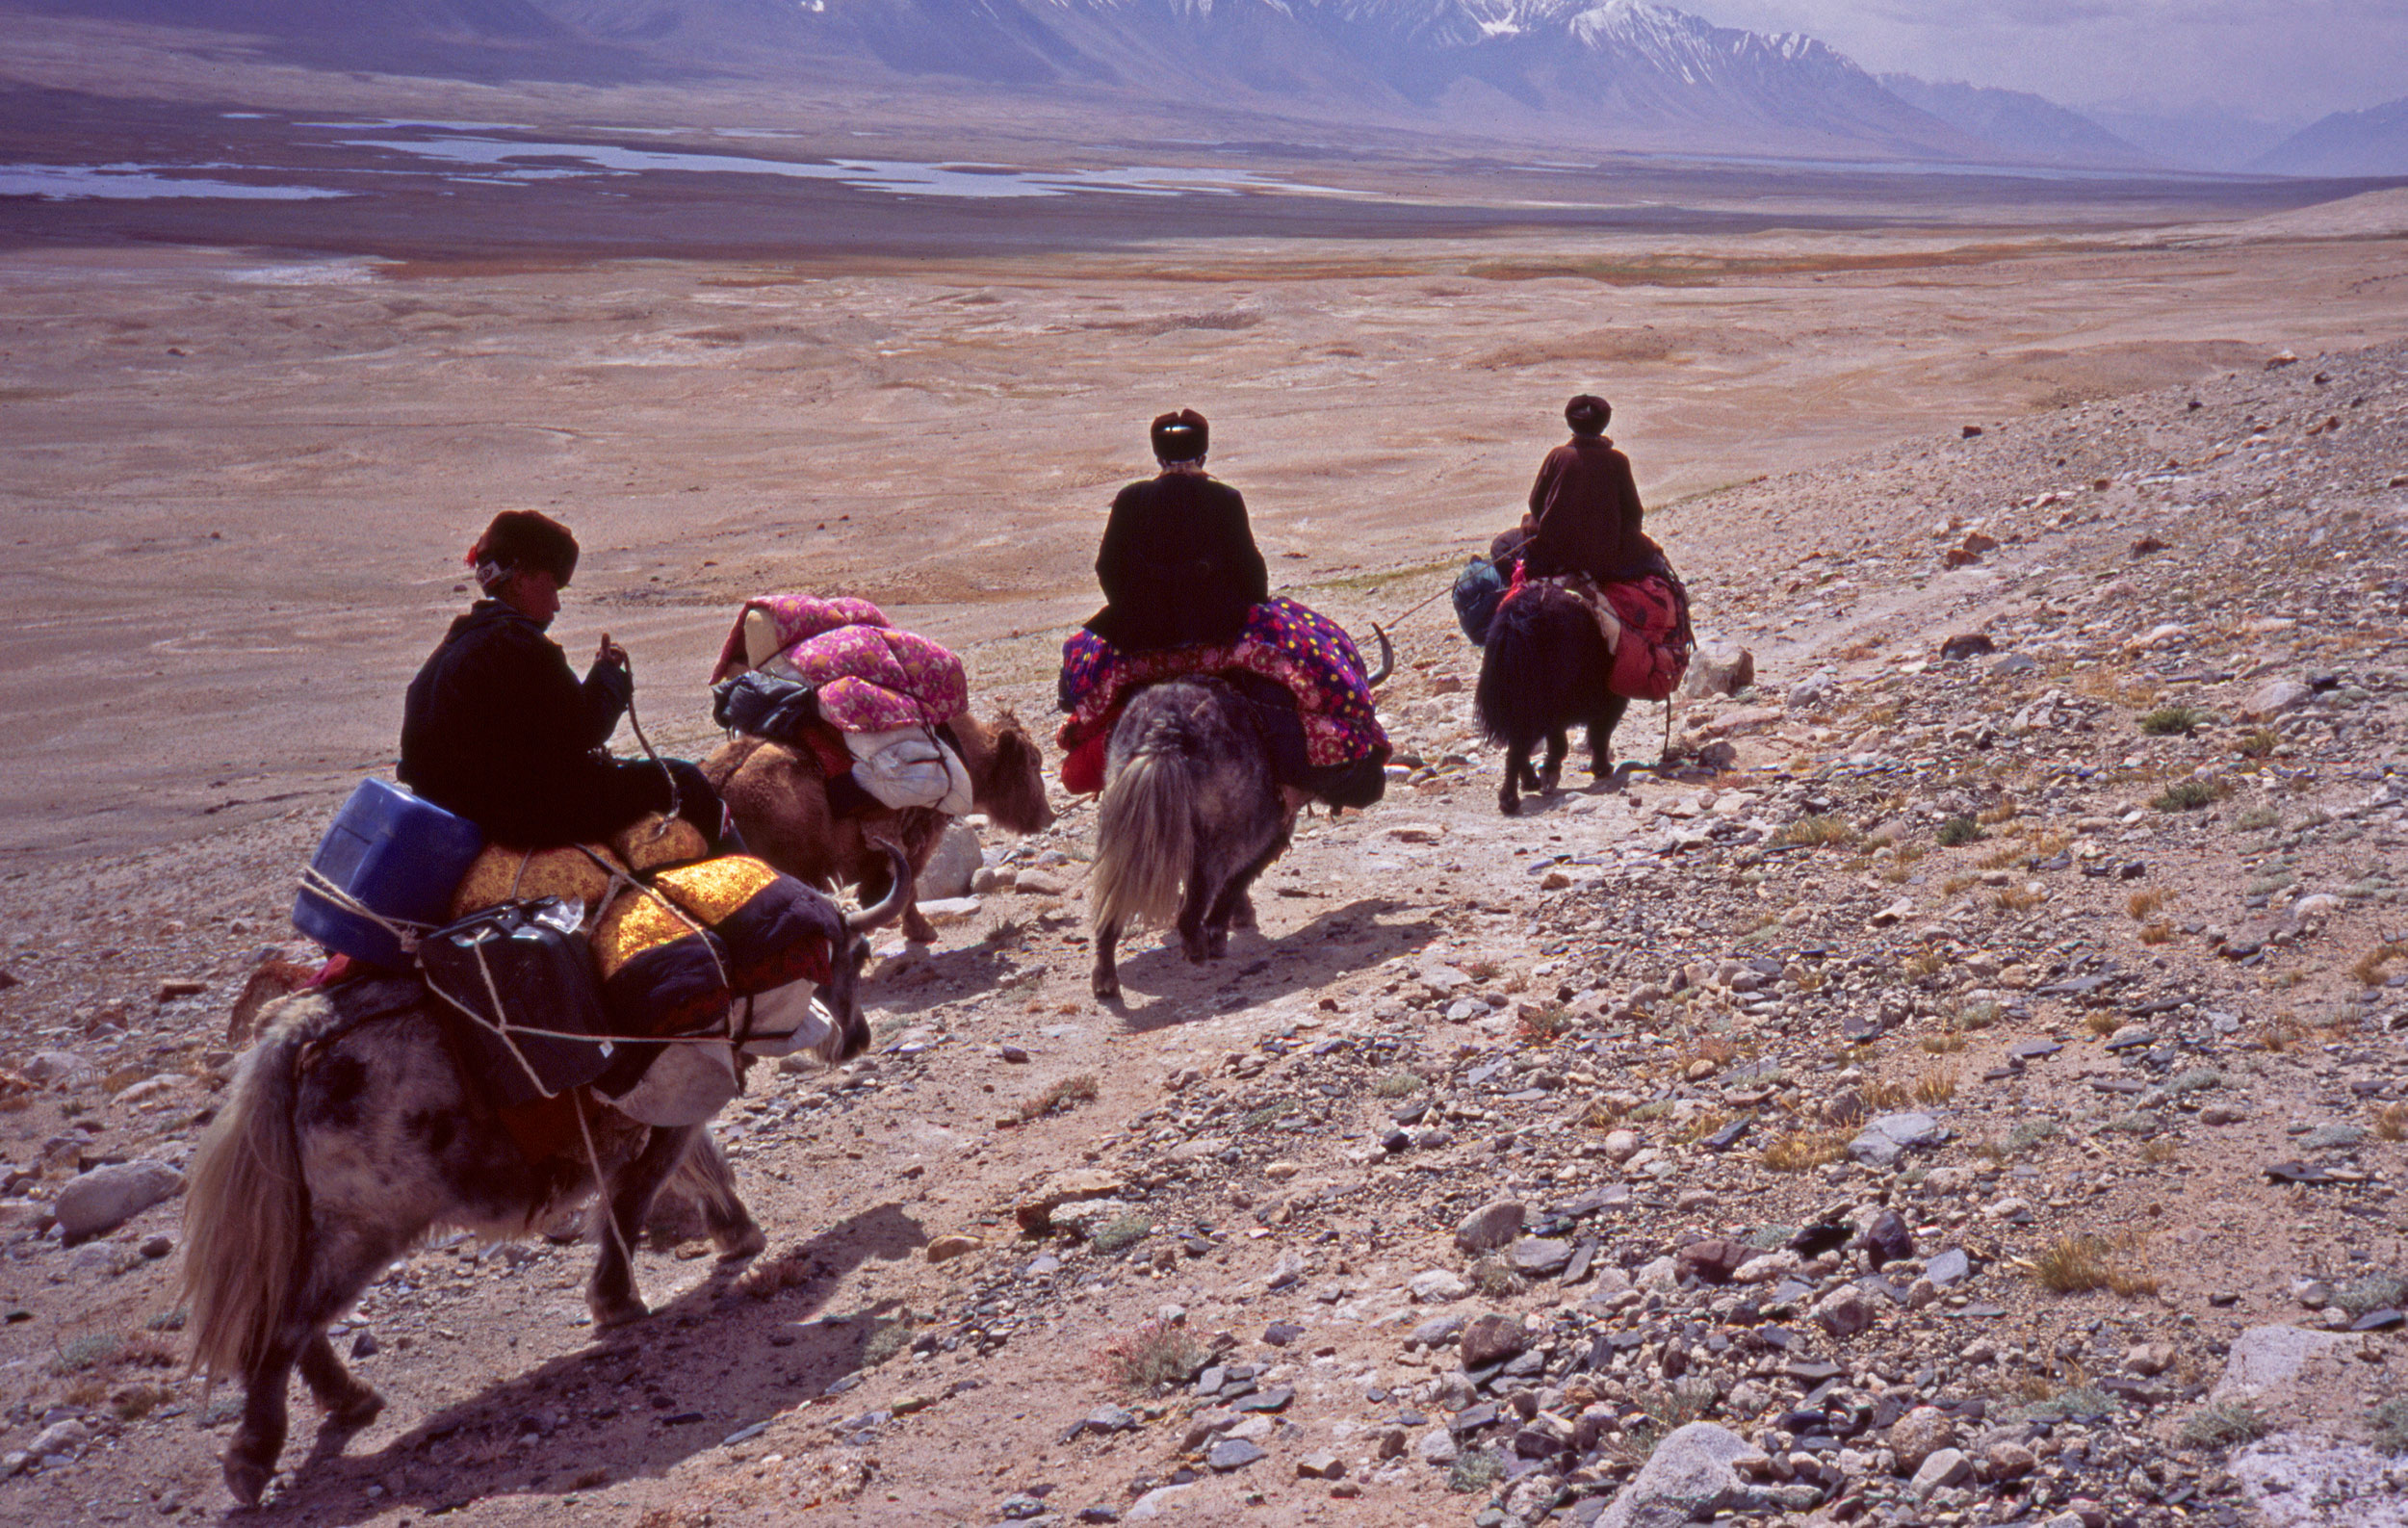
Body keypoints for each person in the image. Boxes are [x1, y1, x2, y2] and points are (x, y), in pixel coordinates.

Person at [400, 509, 732, 851]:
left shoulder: (453, 647)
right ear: (520, 580)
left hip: (459, 808)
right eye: (552, 586)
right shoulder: (516, 645)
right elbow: (586, 727)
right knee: (682, 779)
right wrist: (607, 674)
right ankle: (754, 891)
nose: (557, 605)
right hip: (522, 814)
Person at [1085, 408, 1268, 652]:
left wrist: (1130, 613)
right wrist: (1251, 612)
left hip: (1143, 630)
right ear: (1202, 458)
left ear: (1160, 459)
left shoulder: (1130, 498)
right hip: (1217, 628)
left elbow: (1108, 566)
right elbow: (1251, 570)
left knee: (1076, 665)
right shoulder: (1226, 497)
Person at [1521, 394, 1661, 585]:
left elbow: (1535, 504)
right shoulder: (1618, 460)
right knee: (1656, 558)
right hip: (1607, 558)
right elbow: (1634, 512)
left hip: (1553, 555)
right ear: (1604, 425)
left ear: (1570, 423)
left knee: (1502, 545)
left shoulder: (1557, 456)